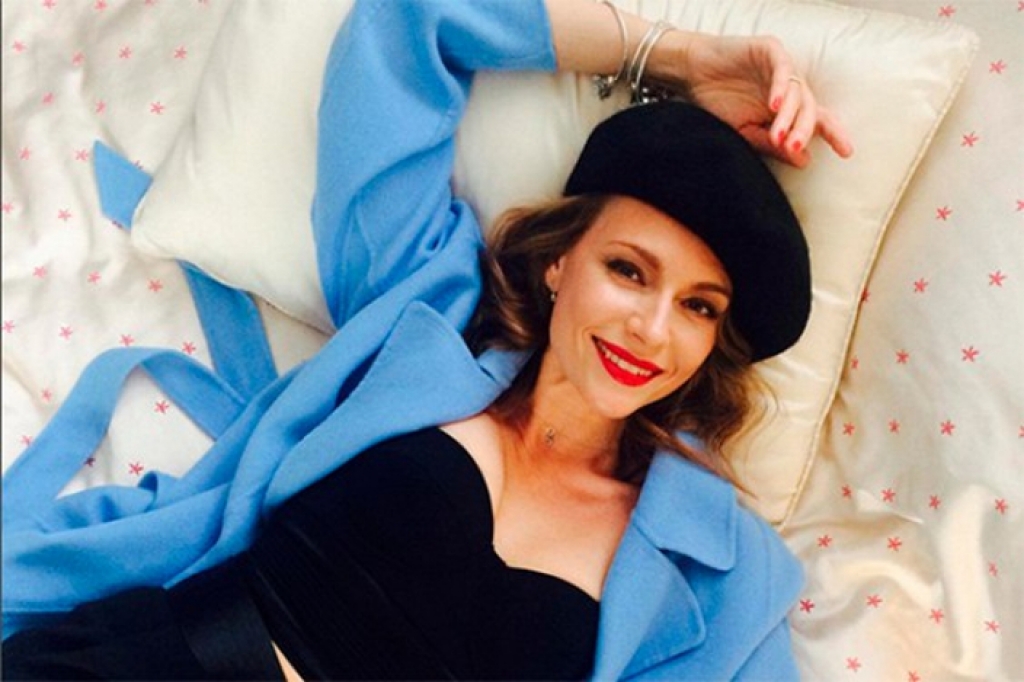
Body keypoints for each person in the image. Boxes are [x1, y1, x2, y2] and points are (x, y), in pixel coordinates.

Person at [2, 0, 853, 679]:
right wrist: (677, 57)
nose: (653, 327)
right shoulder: (425, 311)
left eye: (699, 307)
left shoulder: (721, 569)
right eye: (628, 270)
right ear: (559, 262)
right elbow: (412, 22)